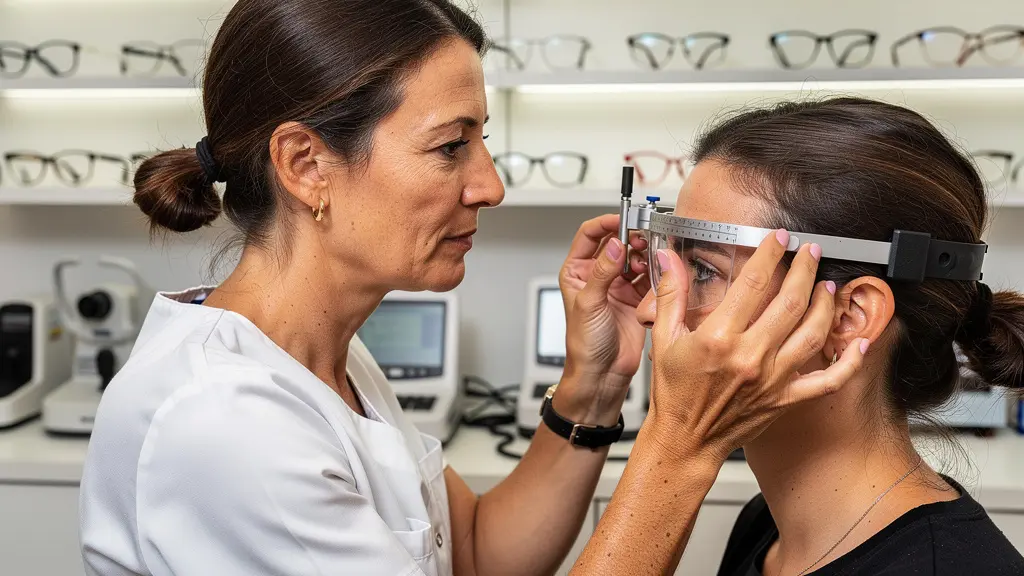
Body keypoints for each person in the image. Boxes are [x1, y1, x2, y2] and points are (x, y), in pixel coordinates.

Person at [78, 1, 866, 575]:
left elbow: (481, 554)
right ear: (305, 166)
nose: (487, 186)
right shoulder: (223, 425)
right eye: (451, 146)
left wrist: (595, 387)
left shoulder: (328, 366)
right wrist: (683, 440)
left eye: (481, 142)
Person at [625, 98, 1024, 575]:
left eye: (705, 271)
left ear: (849, 317)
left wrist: (675, 444)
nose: (650, 310)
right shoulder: (765, 525)